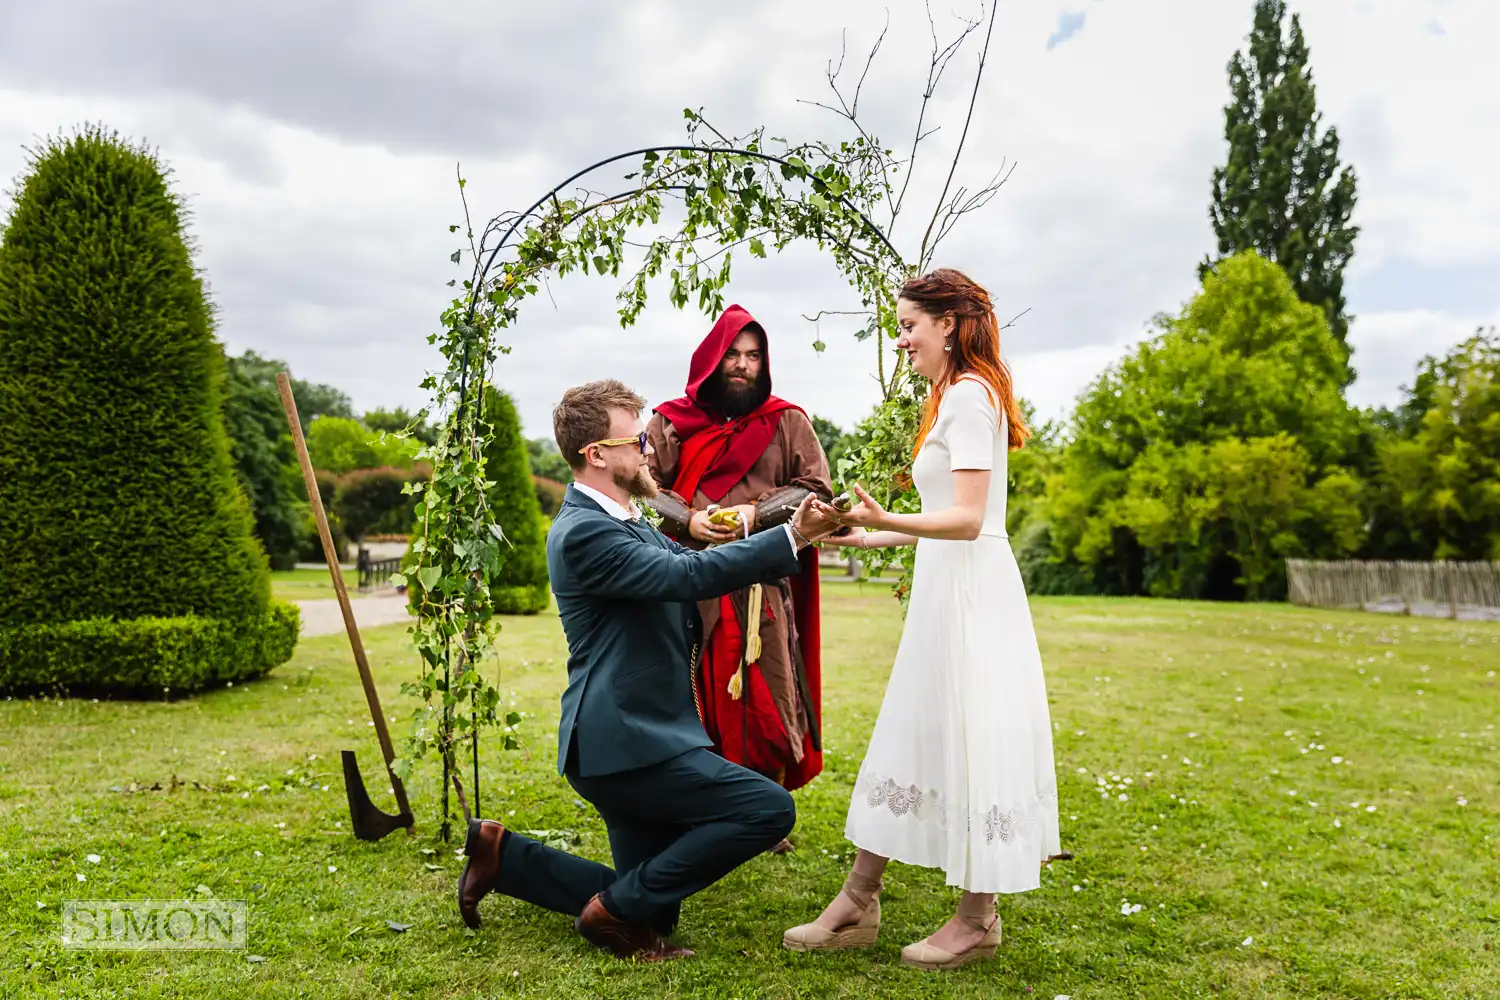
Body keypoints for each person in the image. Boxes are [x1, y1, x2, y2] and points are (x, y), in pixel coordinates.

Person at [456, 379, 837, 963]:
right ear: (598, 454)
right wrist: (791, 536)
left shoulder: (627, 520)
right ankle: (606, 917)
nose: (648, 452)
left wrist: (779, 531)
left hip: (637, 736)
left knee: (653, 908)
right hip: (625, 741)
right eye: (635, 441)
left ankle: (505, 857)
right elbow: (688, 579)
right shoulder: (586, 531)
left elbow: (696, 561)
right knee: (768, 809)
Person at [781, 269, 1061, 971]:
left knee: (970, 739)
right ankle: (858, 899)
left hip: (972, 597)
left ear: (947, 323)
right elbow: (947, 519)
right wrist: (868, 535)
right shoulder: (952, 397)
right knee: (914, 729)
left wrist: (883, 513)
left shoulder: (970, 397)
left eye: (909, 325)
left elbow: (969, 521)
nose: (901, 339)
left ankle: (976, 919)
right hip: (951, 589)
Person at [645, 305, 833, 854]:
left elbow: (815, 488)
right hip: (686, 574)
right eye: (734, 355)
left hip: (760, 577)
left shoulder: (787, 420)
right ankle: (692, 807)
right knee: (688, 687)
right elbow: (642, 484)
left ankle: (758, 808)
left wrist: (756, 515)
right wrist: (688, 519)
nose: (743, 366)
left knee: (766, 687)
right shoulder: (671, 420)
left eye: (753, 357)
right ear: (712, 358)